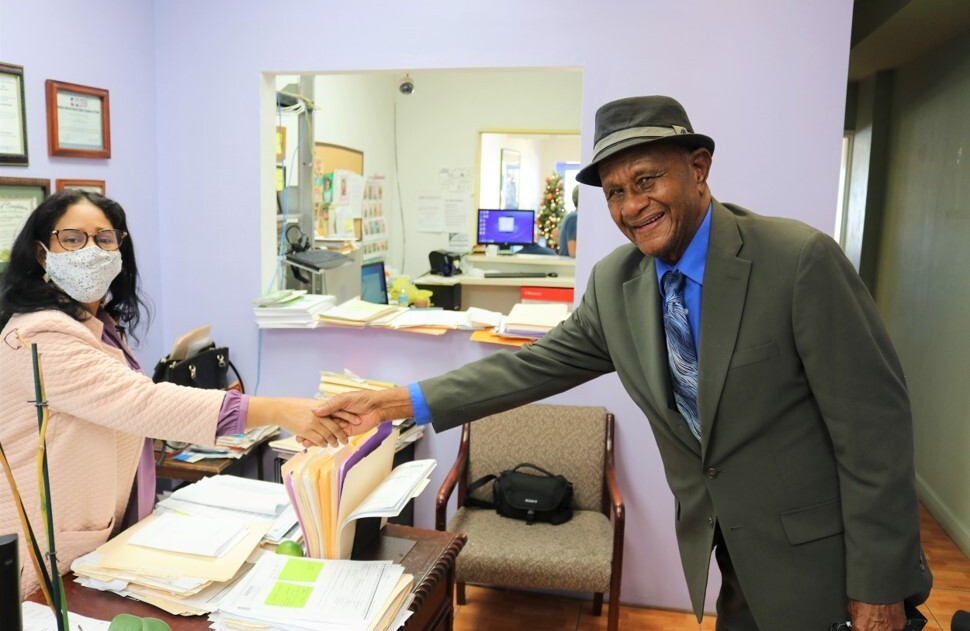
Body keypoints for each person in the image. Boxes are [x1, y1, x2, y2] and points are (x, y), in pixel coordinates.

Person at [316, 95, 933, 630]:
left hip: (828, 562)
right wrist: (399, 402)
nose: (631, 206)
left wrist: (879, 588)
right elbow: (531, 367)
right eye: (614, 192)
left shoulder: (796, 261)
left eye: (646, 181)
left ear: (698, 169)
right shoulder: (618, 284)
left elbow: (874, 433)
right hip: (731, 558)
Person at [0, 190, 349, 596]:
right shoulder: (38, 335)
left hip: (97, 539)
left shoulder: (97, 323)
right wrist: (279, 409)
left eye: (104, 239)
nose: (92, 251)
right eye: (74, 239)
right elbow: (139, 403)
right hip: (43, 548)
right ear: (43, 255)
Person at [553, 185, 579, 257]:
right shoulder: (575, 217)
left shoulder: (571, 215)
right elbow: (573, 253)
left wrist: (563, 244)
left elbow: (555, 233)